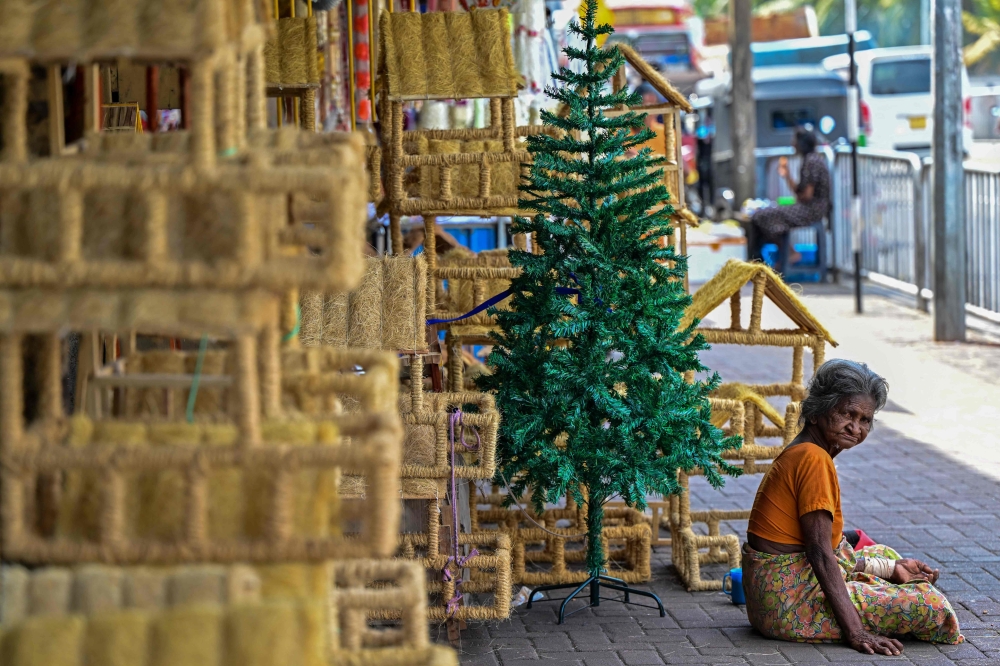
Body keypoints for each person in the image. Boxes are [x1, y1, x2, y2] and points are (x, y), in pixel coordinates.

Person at [743, 360, 964, 655]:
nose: (855, 427)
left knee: (885, 555)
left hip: (771, 602)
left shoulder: (808, 451)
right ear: (819, 411)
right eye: (847, 414)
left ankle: (884, 580)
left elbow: (822, 545)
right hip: (790, 607)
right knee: (931, 606)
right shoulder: (813, 458)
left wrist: (889, 568)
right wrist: (856, 632)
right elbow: (820, 553)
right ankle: (864, 609)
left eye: (865, 420)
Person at [747, 126, 831, 271]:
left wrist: (795, 196)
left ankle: (789, 253)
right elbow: (800, 192)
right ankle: (762, 261)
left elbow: (806, 196)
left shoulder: (812, 161)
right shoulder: (809, 160)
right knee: (761, 216)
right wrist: (786, 175)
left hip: (812, 209)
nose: (792, 144)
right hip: (807, 206)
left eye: (794, 140)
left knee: (762, 216)